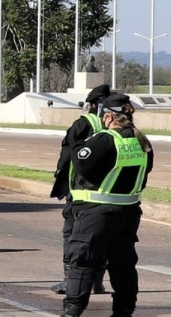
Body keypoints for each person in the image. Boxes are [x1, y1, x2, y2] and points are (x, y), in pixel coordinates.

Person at [61, 94, 154, 317]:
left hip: (95, 212)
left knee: (82, 262)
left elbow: (81, 162)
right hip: (127, 212)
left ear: (109, 116)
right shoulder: (141, 141)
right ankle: (124, 311)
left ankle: (72, 310)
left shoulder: (105, 139)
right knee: (123, 264)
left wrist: (79, 143)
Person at [50, 84, 110, 294]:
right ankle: (96, 282)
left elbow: (67, 157)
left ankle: (70, 281)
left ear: (92, 104)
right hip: (109, 192)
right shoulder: (116, 127)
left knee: (73, 236)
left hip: (81, 191)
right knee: (102, 238)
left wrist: (61, 181)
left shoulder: (84, 123)